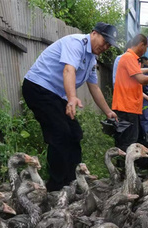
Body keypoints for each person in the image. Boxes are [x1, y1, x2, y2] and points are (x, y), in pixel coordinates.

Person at [22, 22, 119, 191]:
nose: (106, 47)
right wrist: (72, 97)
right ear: (94, 33)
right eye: (105, 41)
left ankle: (74, 182)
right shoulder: (76, 43)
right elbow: (69, 70)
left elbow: (94, 86)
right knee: (60, 133)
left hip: (54, 94)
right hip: (37, 87)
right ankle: (56, 187)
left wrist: (108, 111)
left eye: (109, 45)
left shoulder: (91, 58)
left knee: (74, 133)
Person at [112, 34, 148, 155]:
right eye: (146, 47)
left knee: (131, 138)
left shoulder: (132, 58)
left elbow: (136, 75)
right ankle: (125, 169)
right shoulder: (128, 57)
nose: (146, 51)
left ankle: (126, 167)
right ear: (141, 45)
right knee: (128, 141)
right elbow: (141, 79)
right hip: (126, 106)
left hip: (130, 106)